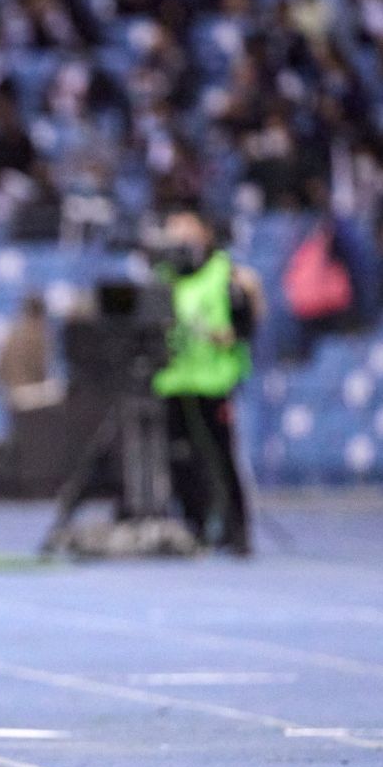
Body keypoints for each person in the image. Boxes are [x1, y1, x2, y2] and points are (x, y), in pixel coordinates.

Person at [152, 209, 259, 556]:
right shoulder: (164, 276)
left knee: (221, 455)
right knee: (181, 459)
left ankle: (237, 529)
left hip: (214, 381)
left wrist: (231, 333)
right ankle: (194, 526)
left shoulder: (224, 274)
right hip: (176, 380)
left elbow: (246, 322)